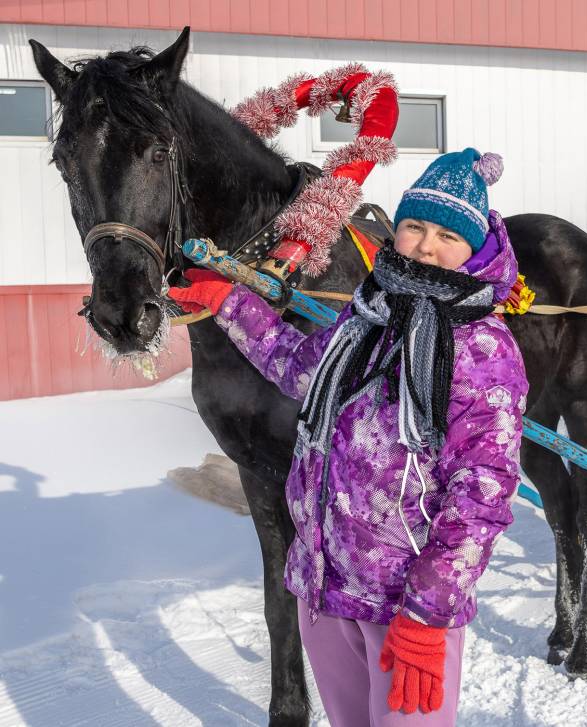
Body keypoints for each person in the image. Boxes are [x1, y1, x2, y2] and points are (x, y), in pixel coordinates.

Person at [168, 148, 527, 726]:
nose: (426, 245)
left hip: (403, 608)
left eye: (447, 234)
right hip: (326, 589)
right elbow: (300, 367)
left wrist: (428, 612)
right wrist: (231, 303)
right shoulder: (369, 312)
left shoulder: (481, 347)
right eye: (414, 226)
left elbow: (481, 494)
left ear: (476, 248)